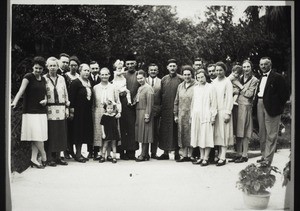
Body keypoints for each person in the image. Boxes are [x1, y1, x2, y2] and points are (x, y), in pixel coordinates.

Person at [11, 56, 48, 169]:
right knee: (37, 136)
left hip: (41, 111)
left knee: (38, 136)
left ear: (43, 69)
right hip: (30, 111)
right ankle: (44, 155)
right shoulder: (28, 77)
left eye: (40, 69)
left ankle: (33, 159)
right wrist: (14, 102)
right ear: (33, 67)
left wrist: (45, 100)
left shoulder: (43, 79)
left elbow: (45, 93)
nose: (38, 70)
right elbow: (21, 90)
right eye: (36, 68)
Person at [254, 57, 289, 166]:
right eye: (261, 64)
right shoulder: (261, 77)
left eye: (265, 64)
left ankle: (268, 159)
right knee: (262, 133)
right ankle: (264, 155)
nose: (263, 66)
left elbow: (285, 95)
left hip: (272, 108)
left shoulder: (278, 77)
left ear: (270, 65)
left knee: (271, 134)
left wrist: (277, 107)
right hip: (260, 104)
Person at [229, 60, 259, 163]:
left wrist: (239, 86)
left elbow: (249, 94)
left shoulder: (254, 80)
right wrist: (237, 89)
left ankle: (245, 154)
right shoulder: (240, 77)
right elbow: (233, 90)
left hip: (245, 107)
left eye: (248, 67)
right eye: (244, 67)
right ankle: (238, 154)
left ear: (251, 67)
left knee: (245, 130)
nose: (246, 69)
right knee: (238, 131)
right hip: (236, 106)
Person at [44, 57, 69, 166]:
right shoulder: (44, 78)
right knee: (51, 132)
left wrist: (67, 107)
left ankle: (59, 156)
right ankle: (50, 157)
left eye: (54, 65)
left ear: (58, 67)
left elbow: (65, 92)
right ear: (47, 66)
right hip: (49, 109)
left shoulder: (62, 78)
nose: (53, 67)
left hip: (61, 108)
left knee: (60, 132)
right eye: (51, 65)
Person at [93, 67, 121, 161]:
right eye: (102, 74)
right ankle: (102, 154)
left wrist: (119, 112)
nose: (104, 76)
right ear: (99, 75)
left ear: (109, 75)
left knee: (110, 132)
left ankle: (109, 154)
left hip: (111, 113)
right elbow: (93, 103)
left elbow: (118, 101)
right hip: (98, 112)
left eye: (106, 74)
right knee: (100, 132)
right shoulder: (95, 87)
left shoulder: (113, 87)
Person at [158, 59, 183, 160]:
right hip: (165, 109)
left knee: (175, 130)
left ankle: (177, 152)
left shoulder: (181, 79)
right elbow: (160, 94)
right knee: (165, 130)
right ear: (167, 67)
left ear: (177, 67)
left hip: (177, 108)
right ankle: (165, 152)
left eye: (174, 66)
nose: (172, 68)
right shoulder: (163, 79)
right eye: (170, 66)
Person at [190, 70, 217, 166]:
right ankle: (201, 157)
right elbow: (193, 102)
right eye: (198, 77)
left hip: (206, 114)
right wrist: (192, 115)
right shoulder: (195, 88)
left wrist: (213, 116)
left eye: (202, 77)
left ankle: (206, 157)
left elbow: (214, 103)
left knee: (206, 136)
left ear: (206, 77)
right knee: (199, 136)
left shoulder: (210, 87)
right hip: (196, 115)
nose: (200, 79)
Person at [69, 63, 94, 163]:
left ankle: (79, 153)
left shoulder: (89, 82)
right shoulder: (75, 82)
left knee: (84, 131)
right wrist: (71, 111)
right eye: (85, 70)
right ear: (80, 71)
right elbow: (71, 98)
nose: (87, 72)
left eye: (88, 70)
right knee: (77, 132)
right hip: (77, 112)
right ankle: (77, 154)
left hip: (86, 111)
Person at [118, 54, 140, 160]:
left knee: (132, 129)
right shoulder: (121, 75)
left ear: (135, 64)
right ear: (125, 64)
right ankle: (122, 151)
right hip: (122, 105)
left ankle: (131, 151)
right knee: (122, 128)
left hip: (134, 107)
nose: (130, 65)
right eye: (128, 64)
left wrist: (135, 100)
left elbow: (141, 89)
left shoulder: (139, 75)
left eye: (132, 63)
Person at [174, 65, 196, 162]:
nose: (187, 76)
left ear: (192, 75)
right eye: (185, 74)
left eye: (189, 74)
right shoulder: (180, 86)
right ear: (182, 75)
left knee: (191, 134)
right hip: (181, 114)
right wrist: (175, 114)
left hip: (192, 114)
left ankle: (191, 155)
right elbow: (176, 101)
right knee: (182, 133)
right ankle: (184, 155)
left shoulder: (196, 85)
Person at [213, 61, 234, 166]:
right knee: (218, 134)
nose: (218, 72)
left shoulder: (227, 82)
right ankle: (219, 155)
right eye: (217, 70)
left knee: (224, 133)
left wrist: (228, 112)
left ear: (224, 70)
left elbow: (230, 98)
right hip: (216, 111)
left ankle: (223, 156)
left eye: (220, 70)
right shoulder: (214, 82)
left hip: (224, 110)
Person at [133, 70, 155, 161]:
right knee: (141, 134)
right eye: (138, 78)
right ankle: (145, 154)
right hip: (139, 112)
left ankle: (143, 154)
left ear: (145, 77)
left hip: (145, 112)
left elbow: (150, 104)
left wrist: (147, 115)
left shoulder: (148, 88)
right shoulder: (140, 88)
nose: (140, 80)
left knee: (146, 134)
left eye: (141, 78)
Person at [64, 55, 80, 159]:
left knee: (75, 128)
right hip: (67, 104)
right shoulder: (65, 76)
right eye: (71, 65)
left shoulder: (79, 76)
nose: (73, 67)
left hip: (77, 105)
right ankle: (67, 150)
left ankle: (74, 151)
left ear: (78, 66)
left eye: (75, 65)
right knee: (68, 128)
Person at [145, 63, 161, 159]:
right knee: (146, 132)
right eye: (151, 70)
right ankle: (145, 152)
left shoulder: (161, 81)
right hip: (146, 110)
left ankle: (153, 153)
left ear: (157, 71)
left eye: (155, 70)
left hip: (156, 110)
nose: (153, 71)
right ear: (148, 71)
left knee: (155, 132)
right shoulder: (144, 80)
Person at [87, 61, 101, 159]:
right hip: (88, 107)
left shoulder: (102, 78)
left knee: (97, 129)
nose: (95, 70)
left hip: (98, 106)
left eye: (96, 68)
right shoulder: (86, 78)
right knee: (89, 129)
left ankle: (96, 151)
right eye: (93, 68)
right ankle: (89, 151)